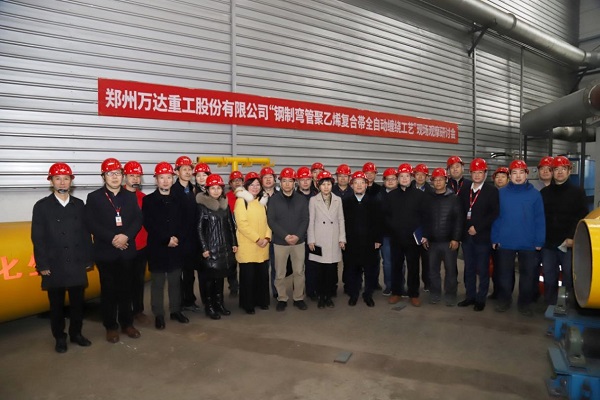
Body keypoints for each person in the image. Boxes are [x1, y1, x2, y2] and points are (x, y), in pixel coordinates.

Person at [31, 163, 94, 353]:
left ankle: (76, 333)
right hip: (54, 263)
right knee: (56, 305)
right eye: (57, 178)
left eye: (66, 178)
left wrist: (87, 259)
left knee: (77, 304)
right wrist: (42, 264)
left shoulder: (79, 205)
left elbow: (85, 235)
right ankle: (59, 337)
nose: (62, 182)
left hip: (76, 262)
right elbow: (37, 238)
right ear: (51, 182)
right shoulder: (42, 206)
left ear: (71, 182)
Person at [84, 158, 143, 343]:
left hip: (127, 250)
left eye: (118, 173)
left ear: (122, 175)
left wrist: (126, 236)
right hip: (105, 252)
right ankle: (110, 326)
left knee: (126, 289)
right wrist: (112, 238)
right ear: (103, 176)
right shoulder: (94, 197)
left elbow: (138, 219)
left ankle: (127, 324)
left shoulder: (130, 196)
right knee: (108, 291)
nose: (115, 177)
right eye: (110, 174)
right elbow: (91, 223)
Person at [491, 160, 545, 316]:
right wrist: (495, 237)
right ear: (510, 175)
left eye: (521, 172)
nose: (518, 176)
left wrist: (539, 240)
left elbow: (539, 219)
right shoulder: (501, 194)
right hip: (506, 241)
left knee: (528, 276)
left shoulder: (535, 194)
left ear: (527, 174)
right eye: (514, 173)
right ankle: (504, 300)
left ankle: (525, 303)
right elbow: (496, 217)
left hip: (528, 242)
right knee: (504, 274)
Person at [142, 162, 189, 329]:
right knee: (158, 283)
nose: (165, 181)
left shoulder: (180, 199)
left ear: (172, 179)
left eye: (169, 177)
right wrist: (165, 239)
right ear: (156, 180)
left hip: (176, 246)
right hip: (158, 248)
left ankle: (176, 310)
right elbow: (149, 224)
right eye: (162, 178)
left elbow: (185, 222)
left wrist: (177, 238)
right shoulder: (148, 201)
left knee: (176, 281)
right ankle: (159, 314)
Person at [540, 156, 588, 305]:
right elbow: (540, 218)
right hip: (548, 243)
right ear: (552, 171)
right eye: (556, 169)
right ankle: (550, 303)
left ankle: (566, 304)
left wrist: (572, 237)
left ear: (569, 171)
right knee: (549, 275)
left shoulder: (578, 193)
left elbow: (581, 216)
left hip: (568, 243)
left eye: (563, 169)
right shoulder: (544, 193)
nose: (560, 172)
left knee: (569, 275)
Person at [457, 159, 499, 311]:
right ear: (470, 173)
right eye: (474, 172)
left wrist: (478, 228)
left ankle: (481, 299)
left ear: (485, 173)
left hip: (482, 237)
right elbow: (460, 211)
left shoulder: (491, 191)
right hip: (467, 237)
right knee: (469, 268)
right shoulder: (464, 189)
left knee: (482, 269)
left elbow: (494, 213)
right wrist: (464, 229)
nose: (477, 175)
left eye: (480, 172)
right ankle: (470, 296)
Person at [266, 167, 310, 312]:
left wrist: (297, 236)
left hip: (298, 242)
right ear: (280, 183)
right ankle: (282, 298)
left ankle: (298, 298)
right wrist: (285, 236)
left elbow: (305, 219)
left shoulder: (301, 200)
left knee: (299, 272)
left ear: (294, 183)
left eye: (290, 181)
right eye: (284, 181)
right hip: (280, 242)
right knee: (280, 273)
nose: (287, 184)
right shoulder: (273, 200)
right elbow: (271, 220)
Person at [197, 174, 238, 319]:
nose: (216, 191)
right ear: (207, 189)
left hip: (223, 247)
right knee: (209, 280)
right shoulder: (202, 207)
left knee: (220, 277)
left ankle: (220, 304)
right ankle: (209, 306)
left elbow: (230, 226)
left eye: (218, 188)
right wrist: (204, 248)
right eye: (212, 188)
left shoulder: (225, 206)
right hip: (210, 249)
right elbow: (199, 229)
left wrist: (234, 243)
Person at [385, 164, 425, 307]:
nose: (404, 178)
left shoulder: (419, 195)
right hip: (396, 238)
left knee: (413, 267)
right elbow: (386, 216)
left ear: (411, 177)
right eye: (401, 176)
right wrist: (393, 229)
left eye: (407, 176)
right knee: (396, 266)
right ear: (398, 178)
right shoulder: (391, 196)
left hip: (413, 239)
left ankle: (413, 294)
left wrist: (422, 233)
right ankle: (397, 292)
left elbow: (425, 216)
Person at [422, 168, 463, 306]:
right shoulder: (429, 199)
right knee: (433, 270)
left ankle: (451, 294)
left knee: (451, 270)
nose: (438, 182)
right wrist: (425, 236)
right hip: (432, 242)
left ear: (446, 180)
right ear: (432, 182)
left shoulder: (454, 198)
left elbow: (458, 220)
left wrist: (456, 238)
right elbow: (426, 220)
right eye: (435, 180)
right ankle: (435, 292)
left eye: (441, 179)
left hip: (448, 242)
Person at [234, 172, 272, 314]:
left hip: (262, 246)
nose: (255, 187)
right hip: (248, 246)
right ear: (246, 186)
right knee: (248, 277)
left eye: (257, 185)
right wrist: (257, 239)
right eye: (252, 185)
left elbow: (268, 222)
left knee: (262, 276)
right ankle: (248, 304)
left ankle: (262, 301)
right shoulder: (241, 201)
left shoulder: (262, 202)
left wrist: (267, 238)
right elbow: (242, 224)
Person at [342, 171, 382, 307]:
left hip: (370, 243)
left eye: (362, 183)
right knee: (353, 270)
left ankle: (368, 294)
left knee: (370, 270)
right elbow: (341, 222)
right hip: (351, 242)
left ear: (366, 185)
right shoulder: (345, 202)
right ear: (351, 185)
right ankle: (354, 294)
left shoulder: (374, 201)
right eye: (356, 183)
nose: (359, 185)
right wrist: (342, 239)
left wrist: (378, 239)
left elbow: (378, 222)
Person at [307, 170, 346, 308]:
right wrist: (311, 239)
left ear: (332, 185)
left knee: (331, 271)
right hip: (319, 240)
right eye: (323, 184)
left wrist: (342, 238)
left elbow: (341, 219)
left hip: (333, 239)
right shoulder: (313, 200)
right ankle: (321, 296)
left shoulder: (337, 199)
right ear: (318, 186)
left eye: (328, 184)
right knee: (319, 271)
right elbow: (311, 220)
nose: (326, 187)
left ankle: (328, 296)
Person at [171, 156, 201, 313]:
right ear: (177, 172)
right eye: (184, 169)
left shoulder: (194, 189)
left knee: (189, 273)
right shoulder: (173, 191)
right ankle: (178, 302)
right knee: (178, 274)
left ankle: (189, 300)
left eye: (190, 169)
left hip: (193, 239)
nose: (188, 172)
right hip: (179, 239)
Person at [122, 161, 149, 325]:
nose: (135, 179)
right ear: (125, 177)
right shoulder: (118, 197)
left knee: (139, 280)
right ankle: (125, 312)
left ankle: (138, 310)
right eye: (131, 175)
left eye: (138, 176)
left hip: (141, 246)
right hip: (124, 246)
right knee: (124, 282)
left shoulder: (144, 198)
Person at [410, 163, 433, 292]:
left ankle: (427, 282)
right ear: (414, 175)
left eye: (422, 175)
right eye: (417, 174)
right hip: (411, 231)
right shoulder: (407, 189)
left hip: (425, 230)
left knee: (427, 260)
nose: (419, 177)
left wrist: (427, 234)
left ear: (427, 176)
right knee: (412, 261)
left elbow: (432, 215)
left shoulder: (431, 192)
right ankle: (413, 285)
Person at [488, 166, 509, 299]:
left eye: (503, 176)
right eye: (497, 177)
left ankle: (505, 294)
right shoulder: (491, 193)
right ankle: (497, 292)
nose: (500, 179)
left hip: (506, 236)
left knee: (506, 268)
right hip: (492, 235)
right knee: (495, 266)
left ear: (508, 179)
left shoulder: (511, 194)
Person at [379, 168, 399, 296]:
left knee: (400, 262)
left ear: (397, 180)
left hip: (400, 235)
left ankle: (399, 286)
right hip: (385, 235)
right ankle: (389, 285)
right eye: (388, 179)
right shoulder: (379, 195)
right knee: (387, 262)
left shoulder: (403, 194)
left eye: (393, 179)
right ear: (384, 181)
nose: (390, 181)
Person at [225, 170, 243, 296]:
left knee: (245, 261)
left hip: (244, 233)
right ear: (230, 183)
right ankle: (233, 286)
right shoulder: (225, 197)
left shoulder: (248, 196)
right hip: (231, 233)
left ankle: (245, 284)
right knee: (231, 262)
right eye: (234, 181)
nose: (237, 183)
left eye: (239, 180)